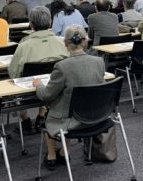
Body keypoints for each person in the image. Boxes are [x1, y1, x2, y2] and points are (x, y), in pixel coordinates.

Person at [32, 25, 105, 170]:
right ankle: (65, 152)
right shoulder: (99, 62)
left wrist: (38, 85)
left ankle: (51, 155)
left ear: (65, 43)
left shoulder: (61, 66)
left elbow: (46, 96)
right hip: (96, 118)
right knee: (70, 102)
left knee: (54, 107)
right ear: (86, 41)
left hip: (71, 122)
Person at [9, 6, 69, 135]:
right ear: (50, 22)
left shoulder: (23, 46)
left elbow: (13, 73)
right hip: (57, 91)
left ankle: (26, 121)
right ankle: (41, 117)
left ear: (31, 24)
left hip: (27, 93)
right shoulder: (63, 42)